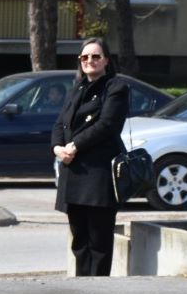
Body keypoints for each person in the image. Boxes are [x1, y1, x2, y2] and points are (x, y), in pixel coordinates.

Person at [51, 37, 129, 277]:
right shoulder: (77, 88)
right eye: (84, 57)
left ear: (106, 60)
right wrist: (57, 148)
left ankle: (98, 289)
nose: (89, 61)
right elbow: (60, 124)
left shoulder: (115, 88)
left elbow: (107, 125)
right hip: (73, 174)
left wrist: (75, 146)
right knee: (79, 242)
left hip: (98, 177)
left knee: (99, 243)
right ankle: (81, 287)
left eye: (96, 56)